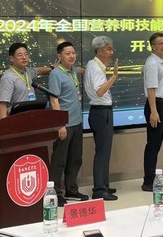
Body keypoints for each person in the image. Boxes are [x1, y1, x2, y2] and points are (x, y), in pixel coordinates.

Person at [49, 41, 89, 206]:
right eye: (67, 53)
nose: (71, 56)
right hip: (64, 125)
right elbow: (54, 100)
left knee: (75, 159)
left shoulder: (73, 71)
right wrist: (60, 125)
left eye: (73, 53)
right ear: (59, 56)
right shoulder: (56, 74)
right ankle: (55, 193)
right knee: (59, 161)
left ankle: (71, 189)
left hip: (77, 122)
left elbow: (83, 70)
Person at [84, 36, 119, 201]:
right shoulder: (95, 67)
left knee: (105, 151)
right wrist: (113, 77)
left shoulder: (96, 65)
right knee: (102, 152)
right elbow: (100, 92)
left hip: (102, 111)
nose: (112, 52)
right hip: (100, 111)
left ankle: (104, 184)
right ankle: (99, 189)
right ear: (99, 51)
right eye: (109, 49)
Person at [142, 32, 163, 192]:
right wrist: (154, 111)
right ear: (153, 46)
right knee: (153, 144)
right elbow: (151, 89)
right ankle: (148, 181)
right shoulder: (152, 63)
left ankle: (151, 179)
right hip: (156, 105)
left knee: (156, 144)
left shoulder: (158, 62)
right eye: (161, 43)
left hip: (161, 105)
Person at [0, 42, 54, 119]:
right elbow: (2, 104)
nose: (24, 57)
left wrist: (51, 68)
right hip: (16, 118)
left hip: (31, 115)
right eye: (20, 55)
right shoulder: (8, 77)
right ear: (11, 58)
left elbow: (37, 71)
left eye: (26, 54)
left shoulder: (27, 71)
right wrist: (4, 124)